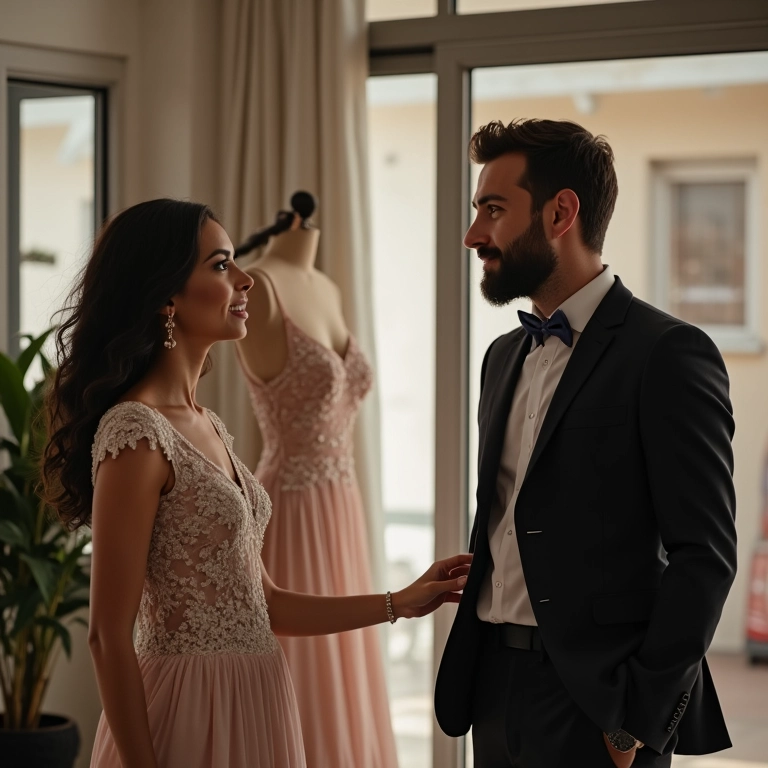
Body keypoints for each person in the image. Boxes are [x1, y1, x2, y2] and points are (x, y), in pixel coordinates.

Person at [41, 199, 471, 768]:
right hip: (190, 709)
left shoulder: (207, 424)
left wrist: (402, 602)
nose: (245, 279)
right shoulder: (136, 432)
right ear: (166, 295)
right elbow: (106, 637)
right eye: (221, 265)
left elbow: (264, 604)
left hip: (258, 698)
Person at [434, 119, 737, 768]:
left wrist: (634, 719)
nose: (473, 235)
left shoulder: (669, 354)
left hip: (598, 706)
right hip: (491, 686)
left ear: (560, 212)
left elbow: (705, 555)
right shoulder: (501, 356)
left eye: (493, 208)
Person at [234, 215, 399, 766]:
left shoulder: (326, 287)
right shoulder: (258, 288)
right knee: (302, 667)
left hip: (340, 505)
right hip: (292, 508)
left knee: (345, 663)